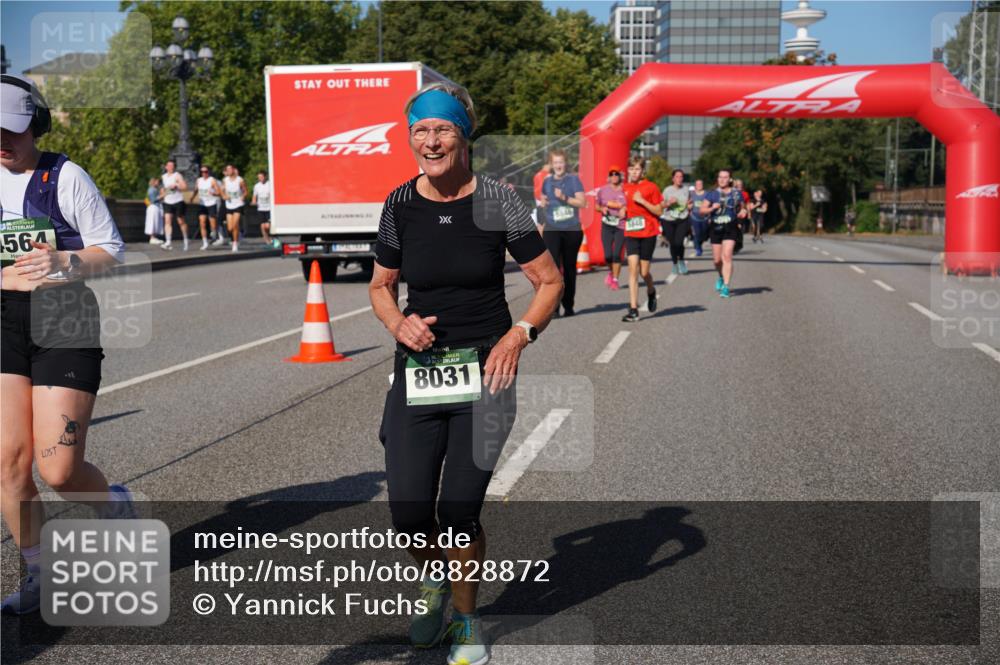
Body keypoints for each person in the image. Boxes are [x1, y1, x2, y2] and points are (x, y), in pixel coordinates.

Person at [369, 82, 562, 665]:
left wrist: (518, 335)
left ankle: (467, 617)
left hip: (486, 372)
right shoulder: (399, 204)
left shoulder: (498, 201)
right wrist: (399, 324)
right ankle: (437, 581)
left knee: (457, 512)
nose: (431, 142)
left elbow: (549, 281)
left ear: (464, 136)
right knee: (408, 516)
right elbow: (381, 286)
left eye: (443, 130)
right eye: (420, 131)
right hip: (419, 372)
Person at [0, 75, 136, 615]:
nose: (2, 141)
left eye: (12, 130)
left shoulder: (64, 176)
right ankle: (40, 574)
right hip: (4, 319)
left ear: (36, 125)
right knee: (9, 463)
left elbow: (112, 250)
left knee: (58, 470)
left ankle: (115, 506)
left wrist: (65, 260)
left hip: (64, 318)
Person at [539, 149, 586, 316]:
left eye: (561, 162)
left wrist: (565, 198)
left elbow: (582, 203)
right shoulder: (547, 181)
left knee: (569, 267)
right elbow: (543, 200)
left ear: (566, 163)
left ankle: (568, 304)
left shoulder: (573, 180)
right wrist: (543, 203)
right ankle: (555, 306)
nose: (558, 165)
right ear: (551, 164)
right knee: (553, 269)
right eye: (555, 162)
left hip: (571, 229)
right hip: (552, 228)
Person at [621, 155, 663, 322]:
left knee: (644, 272)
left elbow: (659, 211)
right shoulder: (624, 188)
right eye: (631, 169)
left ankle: (651, 290)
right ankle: (633, 309)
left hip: (648, 233)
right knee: (633, 269)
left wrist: (642, 201)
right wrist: (622, 210)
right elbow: (623, 205)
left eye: (637, 169)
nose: (634, 172)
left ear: (643, 171)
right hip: (631, 233)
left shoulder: (651, 187)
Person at [700, 168, 747, 299]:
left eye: (725, 177)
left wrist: (743, 212)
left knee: (727, 256)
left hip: (731, 227)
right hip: (716, 227)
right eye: (720, 177)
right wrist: (712, 208)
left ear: (730, 179)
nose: (722, 179)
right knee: (717, 260)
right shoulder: (712, 194)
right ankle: (721, 276)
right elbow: (702, 210)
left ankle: (726, 286)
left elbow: (743, 208)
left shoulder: (736, 194)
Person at [596, 165, 627, 290]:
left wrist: (625, 209)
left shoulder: (625, 190)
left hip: (621, 225)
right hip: (607, 225)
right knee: (608, 256)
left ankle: (615, 280)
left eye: (616, 174)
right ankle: (611, 272)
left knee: (617, 254)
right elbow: (596, 206)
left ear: (620, 176)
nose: (614, 176)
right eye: (612, 174)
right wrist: (602, 209)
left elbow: (631, 205)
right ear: (609, 177)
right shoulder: (603, 190)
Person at [660, 168, 692, 276]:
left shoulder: (686, 190)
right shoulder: (667, 190)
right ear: (673, 178)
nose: (679, 179)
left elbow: (689, 202)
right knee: (673, 243)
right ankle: (675, 263)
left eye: (681, 176)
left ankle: (681, 260)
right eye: (677, 176)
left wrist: (690, 206)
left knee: (679, 242)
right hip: (668, 220)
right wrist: (669, 203)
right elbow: (661, 204)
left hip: (682, 219)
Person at [159, 158, 189, 251]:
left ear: (174, 167)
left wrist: (177, 186)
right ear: (166, 167)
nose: (170, 167)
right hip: (168, 201)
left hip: (178, 201)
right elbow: (164, 189)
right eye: (169, 166)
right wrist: (162, 194)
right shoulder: (163, 177)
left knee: (181, 221)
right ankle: (168, 241)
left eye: (172, 166)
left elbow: (185, 187)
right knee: (167, 221)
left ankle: (185, 239)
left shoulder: (177, 175)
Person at [193, 166, 224, 250]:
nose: (204, 173)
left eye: (206, 171)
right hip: (202, 204)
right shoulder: (199, 180)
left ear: (209, 172)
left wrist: (214, 193)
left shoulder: (212, 180)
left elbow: (219, 192)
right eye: (202, 172)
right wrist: (192, 197)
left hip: (211, 203)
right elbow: (196, 189)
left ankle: (214, 232)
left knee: (212, 222)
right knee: (202, 222)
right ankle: (205, 242)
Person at [222, 164, 247, 252]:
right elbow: (222, 190)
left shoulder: (240, 180)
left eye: (230, 169)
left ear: (233, 170)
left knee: (235, 225)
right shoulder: (225, 180)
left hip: (238, 204)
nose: (228, 171)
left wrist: (243, 196)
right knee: (230, 228)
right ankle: (237, 235)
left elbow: (245, 191)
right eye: (227, 170)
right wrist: (224, 196)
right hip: (229, 205)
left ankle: (235, 243)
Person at [251, 170, 273, 246]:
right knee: (263, 226)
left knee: (267, 226)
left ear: (265, 176)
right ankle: (266, 239)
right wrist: (253, 202)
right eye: (259, 177)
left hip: (269, 208)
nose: (260, 179)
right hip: (260, 208)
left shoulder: (270, 184)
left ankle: (270, 237)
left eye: (261, 177)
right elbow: (254, 196)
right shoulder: (256, 186)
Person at [689, 179, 709, 257]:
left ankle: (698, 243)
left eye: (700, 184)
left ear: (703, 185)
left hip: (705, 217)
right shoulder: (692, 194)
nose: (699, 185)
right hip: (694, 217)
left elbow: (711, 204)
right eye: (697, 184)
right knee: (697, 233)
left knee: (704, 234)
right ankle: (698, 248)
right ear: (695, 186)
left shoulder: (707, 194)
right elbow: (688, 204)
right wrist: (689, 206)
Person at [532, 161, 551, 232]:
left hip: (539, 202)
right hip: (544, 202)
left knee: (540, 223)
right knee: (544, 223)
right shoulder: (547, 175)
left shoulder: (537, 175)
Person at [144, 177, 163, 244]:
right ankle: (152, 237)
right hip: (153, 207)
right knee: (152, 222)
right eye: (157, 181)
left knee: (155, 222)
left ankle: (154, 237)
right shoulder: (152, 189)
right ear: (154, 182)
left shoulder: (154, 189)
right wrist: (162, 195)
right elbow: (153, 200)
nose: (158, 183)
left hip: (155, 207)